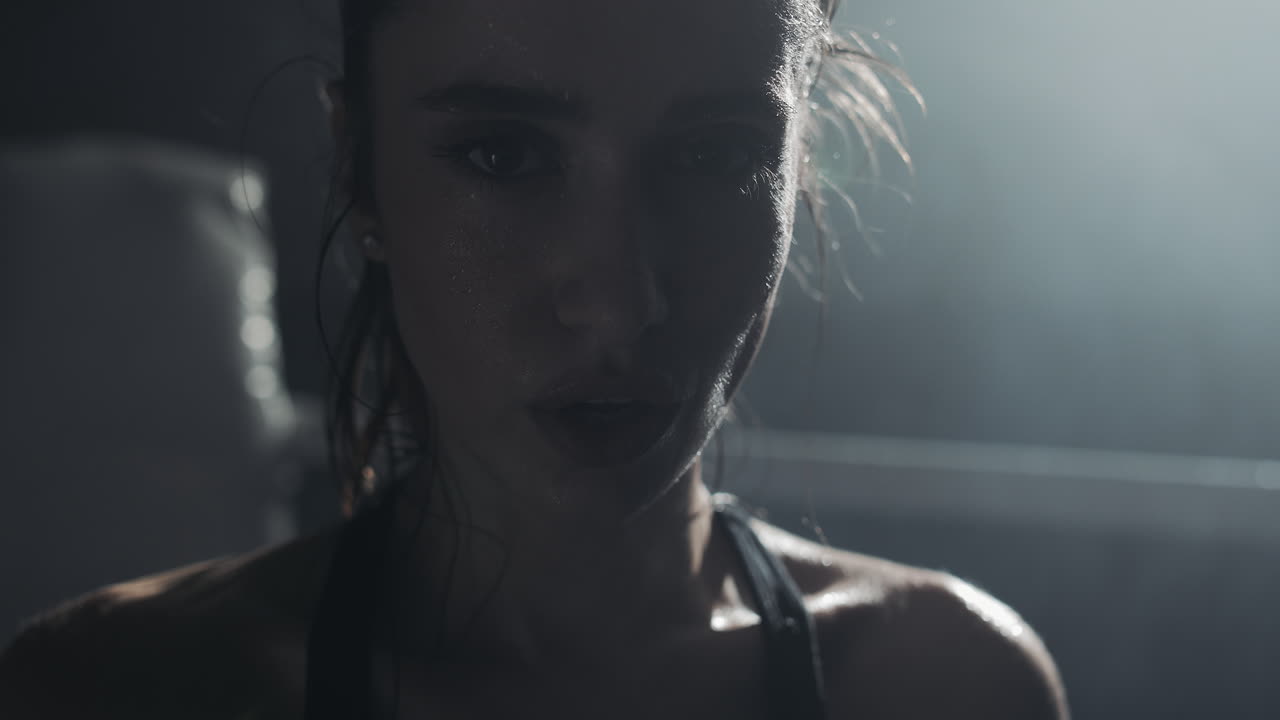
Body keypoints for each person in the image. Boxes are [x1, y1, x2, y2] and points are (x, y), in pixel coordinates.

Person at [0, 0, 1070, 717]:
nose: (619, 303)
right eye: (503, 154)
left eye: (717, 155)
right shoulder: (111, 692)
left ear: (798, 171)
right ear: (357, 170)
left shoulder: (946, 688)